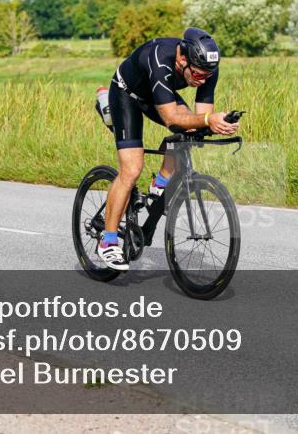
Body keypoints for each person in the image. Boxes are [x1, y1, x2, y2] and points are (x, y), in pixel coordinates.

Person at [97, 27, 239, 271]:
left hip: (158, 93)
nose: (202, 80)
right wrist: (207, 121)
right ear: (182, 58)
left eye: (207, 75)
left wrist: (216, 124)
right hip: (126, 94)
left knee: (192, 132)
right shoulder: (159, 60)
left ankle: (160, 184)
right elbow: (172, 118)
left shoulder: (205, 68)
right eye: (197, 74)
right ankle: (108, 241)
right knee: (132, 169)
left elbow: (201, 117)